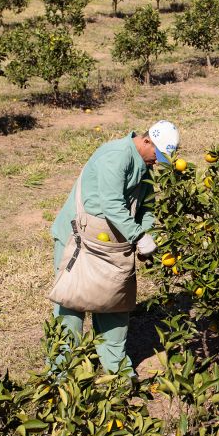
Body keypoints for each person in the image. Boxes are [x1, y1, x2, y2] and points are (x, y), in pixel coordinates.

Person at [49, 120, 179, 372]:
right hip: (77, 241)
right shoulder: (116, 156)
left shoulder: (144, 168)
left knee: (114, 306)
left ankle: (118, 374)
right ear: (146, 140)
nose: (158, 161)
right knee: (70, 307)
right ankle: (59, 376)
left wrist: (146, 235)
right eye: (158, 154)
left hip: (111, 245)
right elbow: (112, 204)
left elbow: (147, 208)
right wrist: (137, 236)